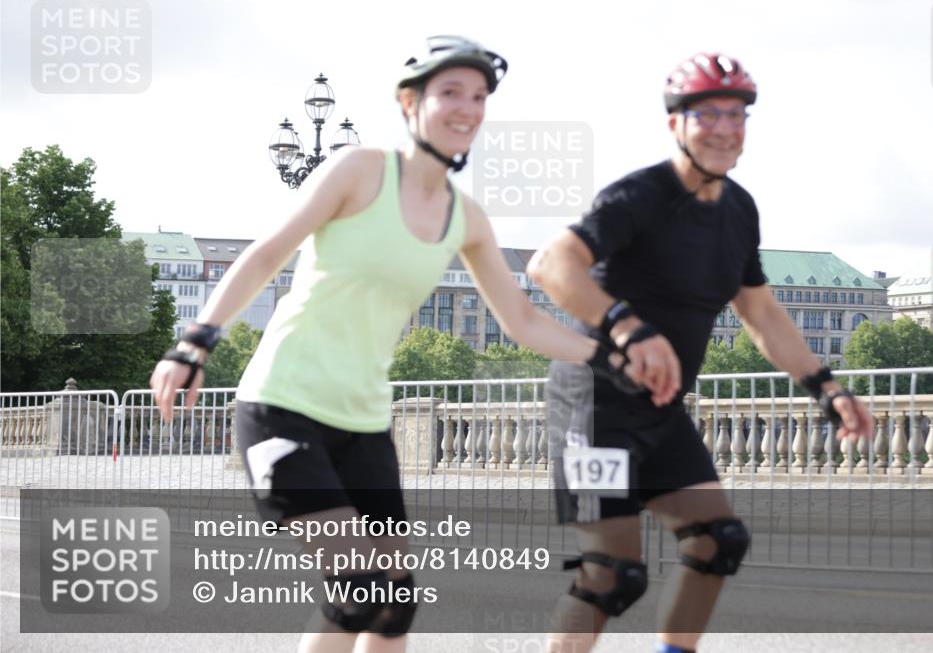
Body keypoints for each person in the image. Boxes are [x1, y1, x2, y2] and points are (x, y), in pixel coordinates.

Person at [149, 36, 664, 653]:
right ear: (410, 101)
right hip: (284, 403)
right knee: (360, 585)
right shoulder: (360, 170)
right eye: (450, 92)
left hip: (363, 423)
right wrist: (195, 343)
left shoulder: (466, 218)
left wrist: (609, 357)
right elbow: (267, 252)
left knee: (394, 604)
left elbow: (522, 321)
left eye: (478, 97)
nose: (466, 108)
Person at [527, 52, 876, 653]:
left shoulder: (739, 210)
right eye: (708, 113)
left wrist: (828, 386)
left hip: (660, 412)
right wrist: (628, 326)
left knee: (717, 539)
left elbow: (761, 313)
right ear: (676, 125)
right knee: (612, 572)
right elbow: (549, 264)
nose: (724, 127)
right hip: (595, 407)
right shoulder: (639, 196)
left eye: (737, 114)